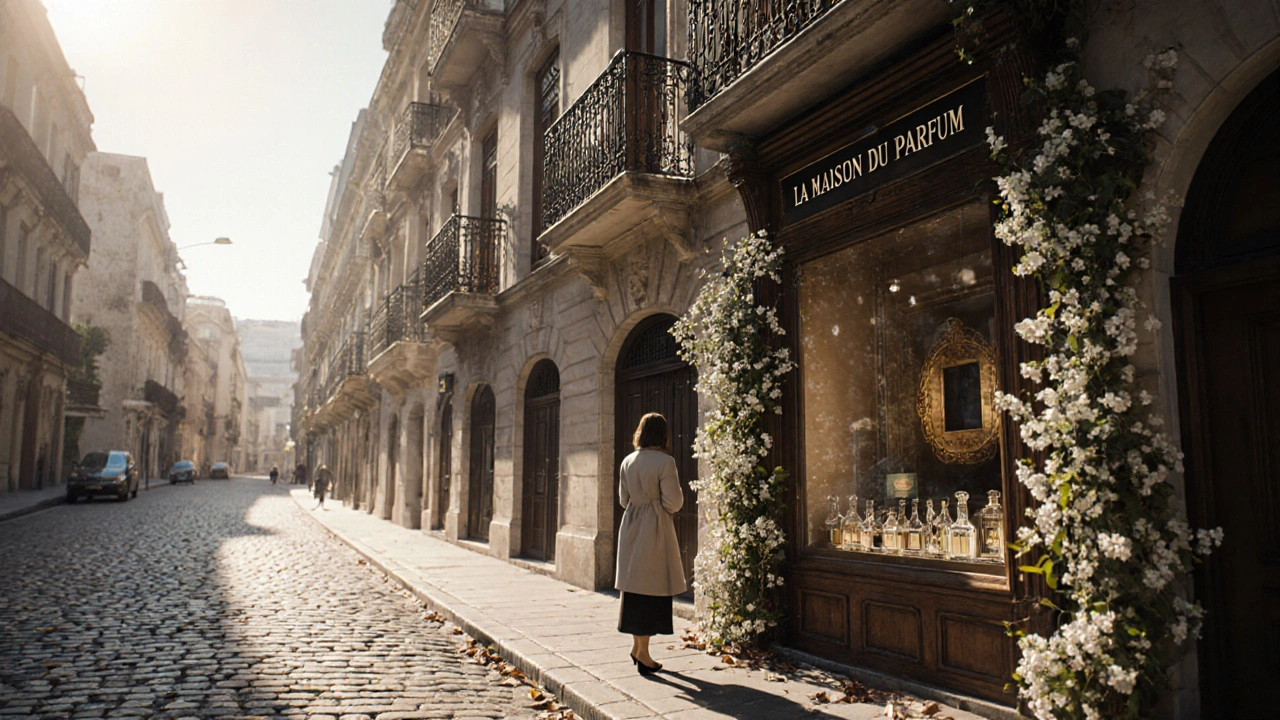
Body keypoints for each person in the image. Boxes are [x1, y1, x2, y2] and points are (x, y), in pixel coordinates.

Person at [614, 412, 685, 676]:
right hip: (654, 528)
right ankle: (642, 653)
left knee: (634, 588)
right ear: (662, 434)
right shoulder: (665, 462)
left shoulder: (628, 461)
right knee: (652, 586)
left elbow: (623, 499)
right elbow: (674, 502)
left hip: (631, 525)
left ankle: (638, 649)